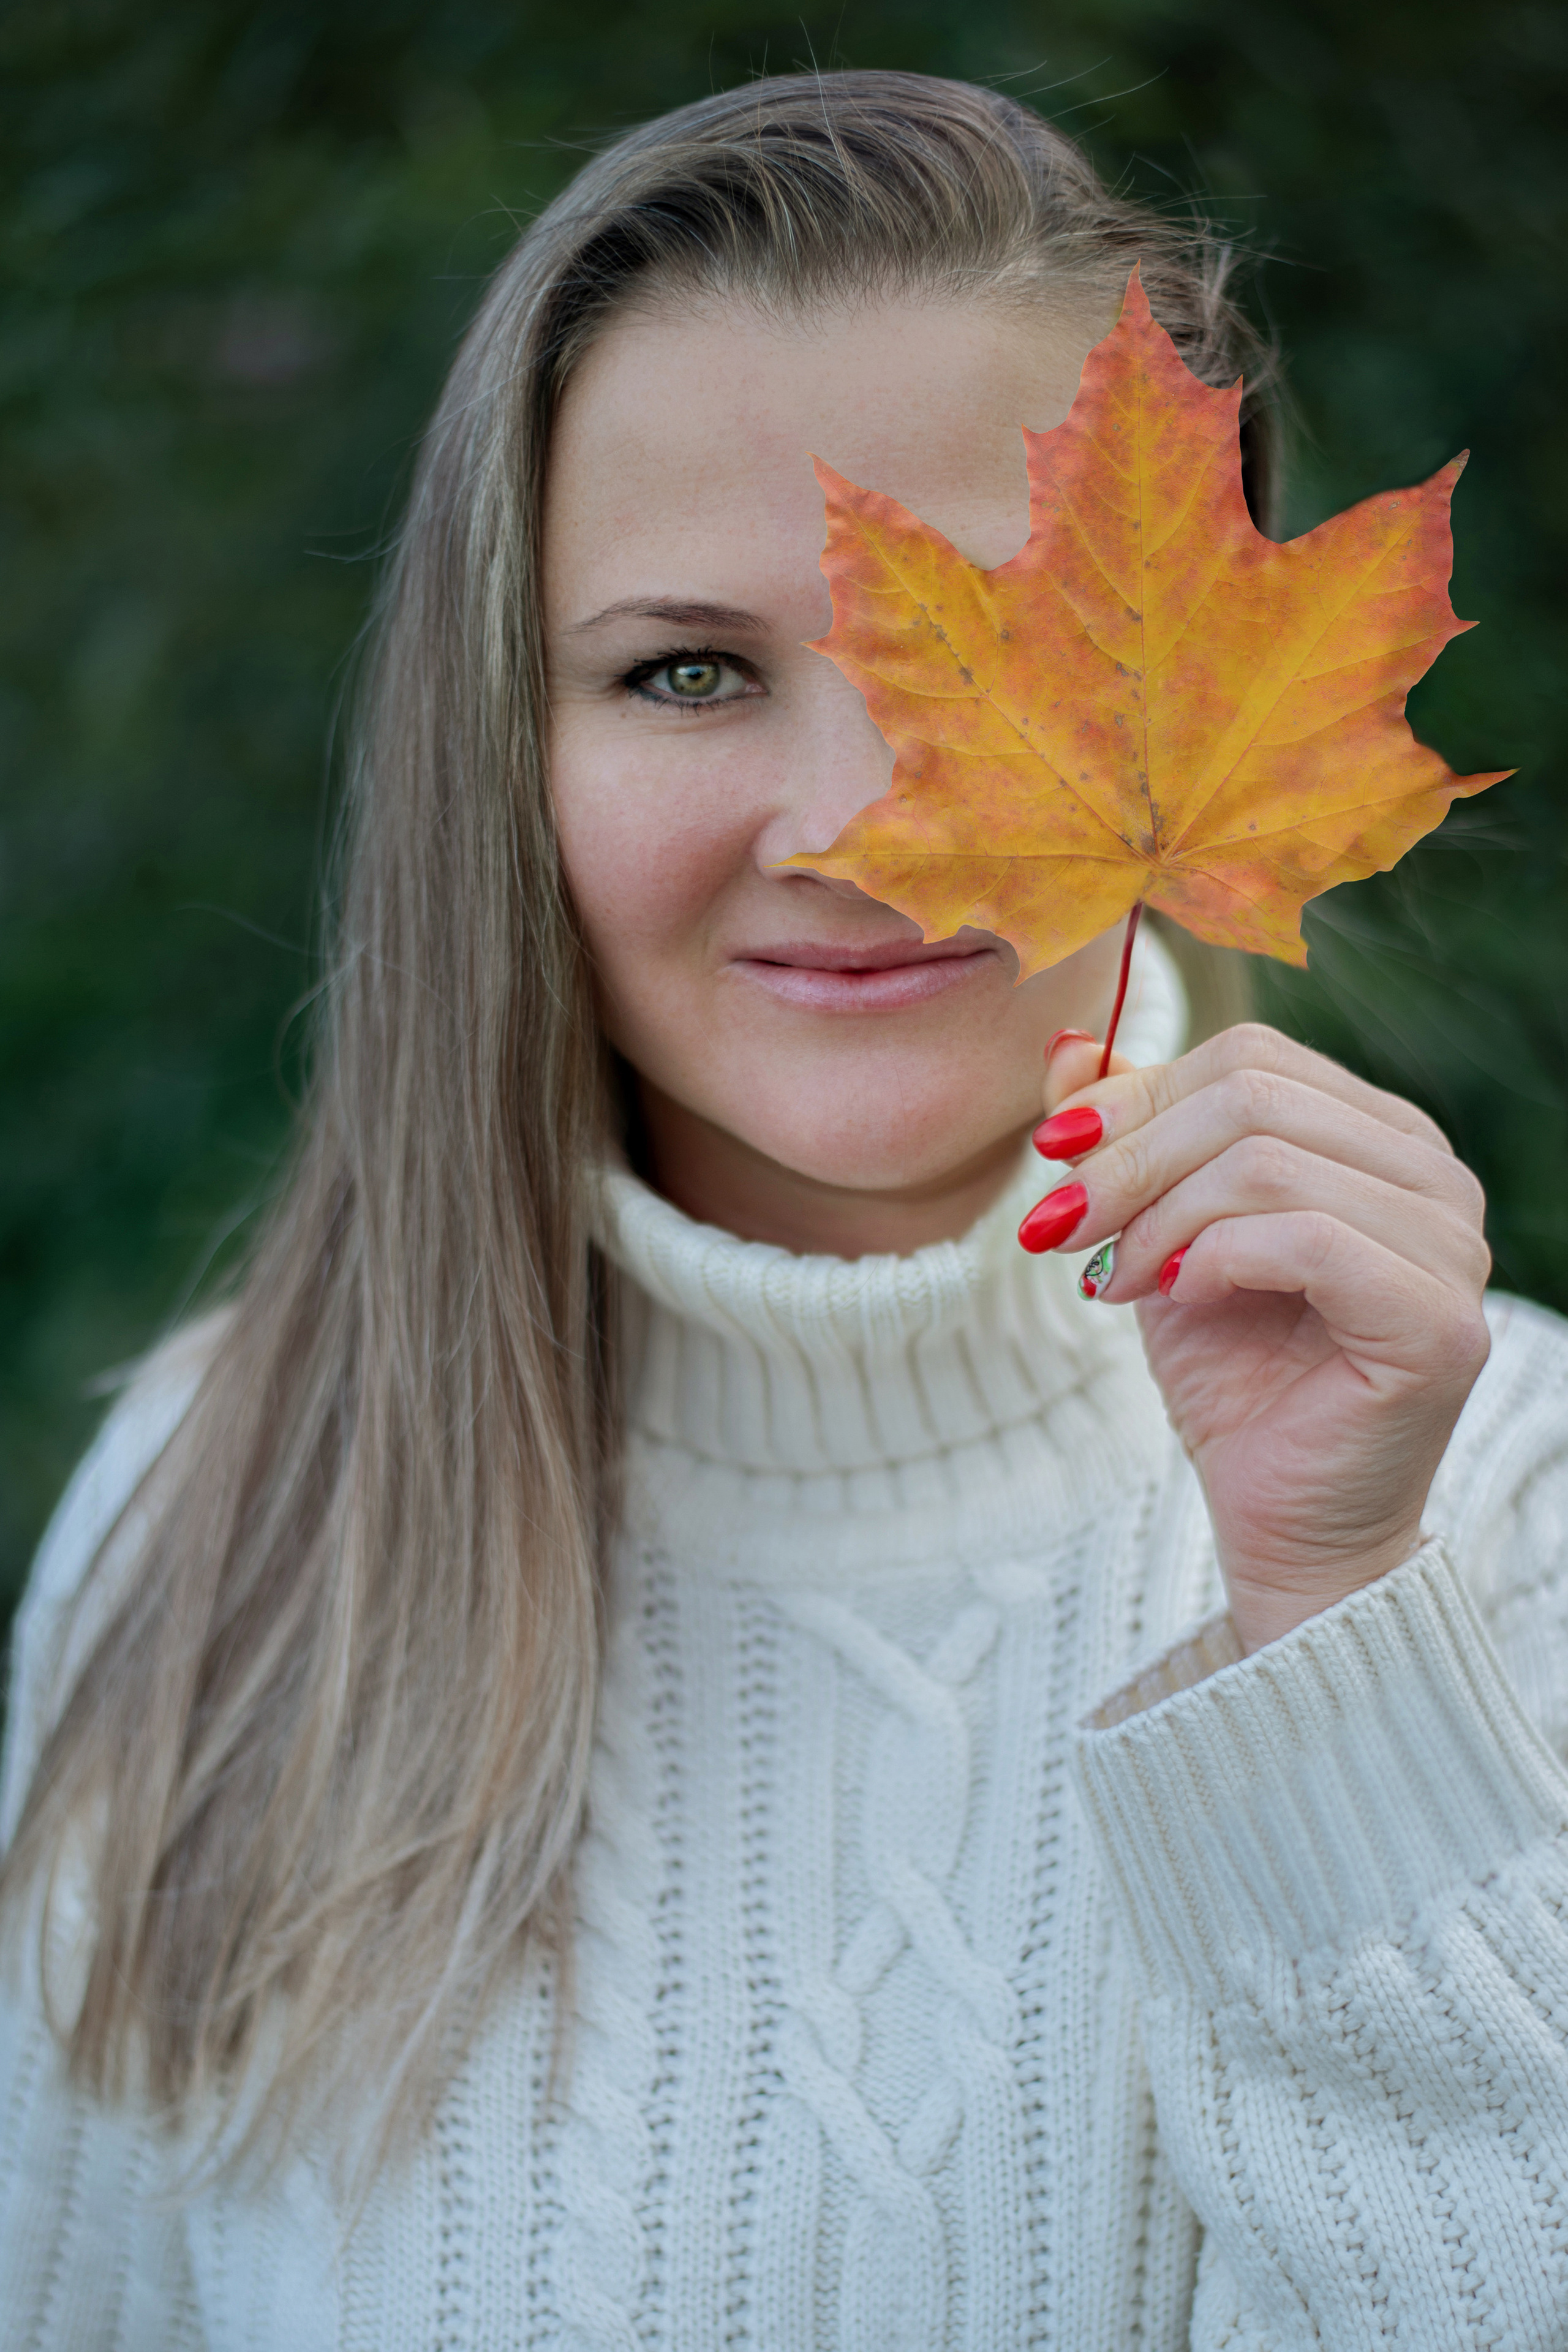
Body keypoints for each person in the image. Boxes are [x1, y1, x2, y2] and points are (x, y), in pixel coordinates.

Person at [3, 68, 1567, 2351]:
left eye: (990, 655)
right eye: (691, 670)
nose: (850, 819)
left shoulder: (1503, 1512)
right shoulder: (232, 1511)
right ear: (505, 752)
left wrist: (1328, 1621)